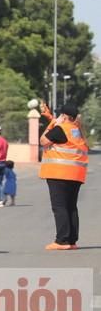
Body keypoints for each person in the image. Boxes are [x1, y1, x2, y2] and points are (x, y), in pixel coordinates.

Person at [39, 103, 89, 250]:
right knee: (71, 207)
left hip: (59, 173)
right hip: (76, 174)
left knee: (59, 207)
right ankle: (72, 241)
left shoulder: (60, 128)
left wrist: (51, 124)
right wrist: (52, 119)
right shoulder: (77, 130)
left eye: (60, 115)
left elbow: (43, 141)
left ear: (65, 116)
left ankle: (62, 241)